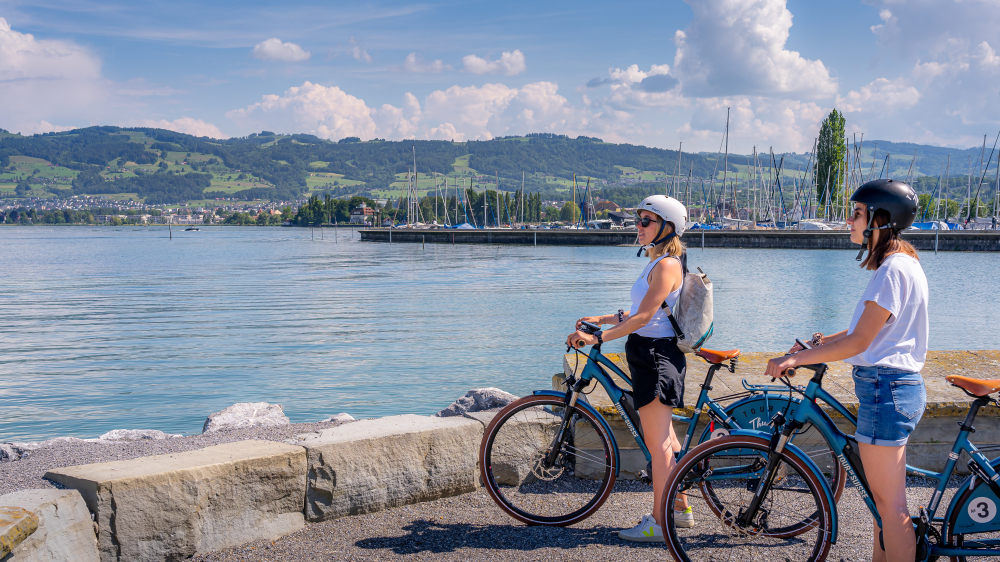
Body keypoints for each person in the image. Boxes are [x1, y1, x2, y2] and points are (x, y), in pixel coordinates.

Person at [765, 179, 927, 562]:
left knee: (890, 507)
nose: (849, 222)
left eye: (856, 214)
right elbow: (863, 331)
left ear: (881, 219)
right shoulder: (902, 264)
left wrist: (794, 360)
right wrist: (815, 346)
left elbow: (859, 343)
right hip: (889, 388)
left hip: (885, 389)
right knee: (880, 504)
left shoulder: (892, 270)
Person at [565, 194, 692, 543]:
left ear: (668, 227)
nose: (638, 226)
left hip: (655, 357)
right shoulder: (657, 263)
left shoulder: (667, 265)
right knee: (665, 440)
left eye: (646, 221)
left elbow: (643, 318)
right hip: (647, 353)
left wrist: (597, 337)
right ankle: (679, 509)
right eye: (637, 220)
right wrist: (601, 318)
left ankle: (660, 523)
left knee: (659, 447)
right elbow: (637, 312)